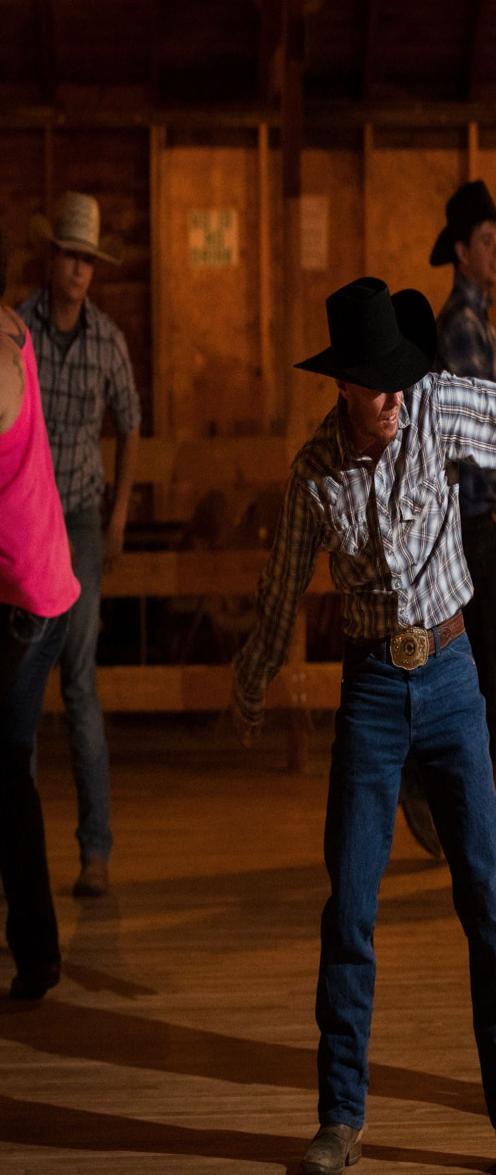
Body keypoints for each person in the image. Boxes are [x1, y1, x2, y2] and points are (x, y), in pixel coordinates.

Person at [231, 277, 496, 1175]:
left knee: (484, 893)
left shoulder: (432, 406)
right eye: (377, 381)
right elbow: (280, 585)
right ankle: (340, 1116)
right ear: (343, 384)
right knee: (350, 899)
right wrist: (254, 675)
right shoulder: (314, 474)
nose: (394, 394)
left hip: (454, 675)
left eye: (400, 377)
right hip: (373, 688)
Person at [396, 179, 496, 862]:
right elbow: (480, 429)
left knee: (476, 674)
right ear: (459, 250)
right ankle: (444, 798)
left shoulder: (470, 322)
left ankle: (459, 811)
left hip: (467, 518)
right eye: (485, 240)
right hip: (468, 521)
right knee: (490, 673)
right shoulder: (463, 325)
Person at [19, 190, 141, 899]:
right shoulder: (18, 332)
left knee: (80, 674)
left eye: (88, 260)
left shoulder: (106, 341)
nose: (78, 270)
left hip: (82, 518)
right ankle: (23, 850)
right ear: (52, 257)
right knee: (24, 684)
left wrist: (119, 509)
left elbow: (130, 421)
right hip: (29, 518)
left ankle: (95, 847)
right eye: (70, 256)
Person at [1, 228, 82, 1000]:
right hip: (34, 586)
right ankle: (36, 950)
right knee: (8, 765)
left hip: (26, 598)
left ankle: (37, 948)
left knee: (7, 770)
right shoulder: (16, 330)